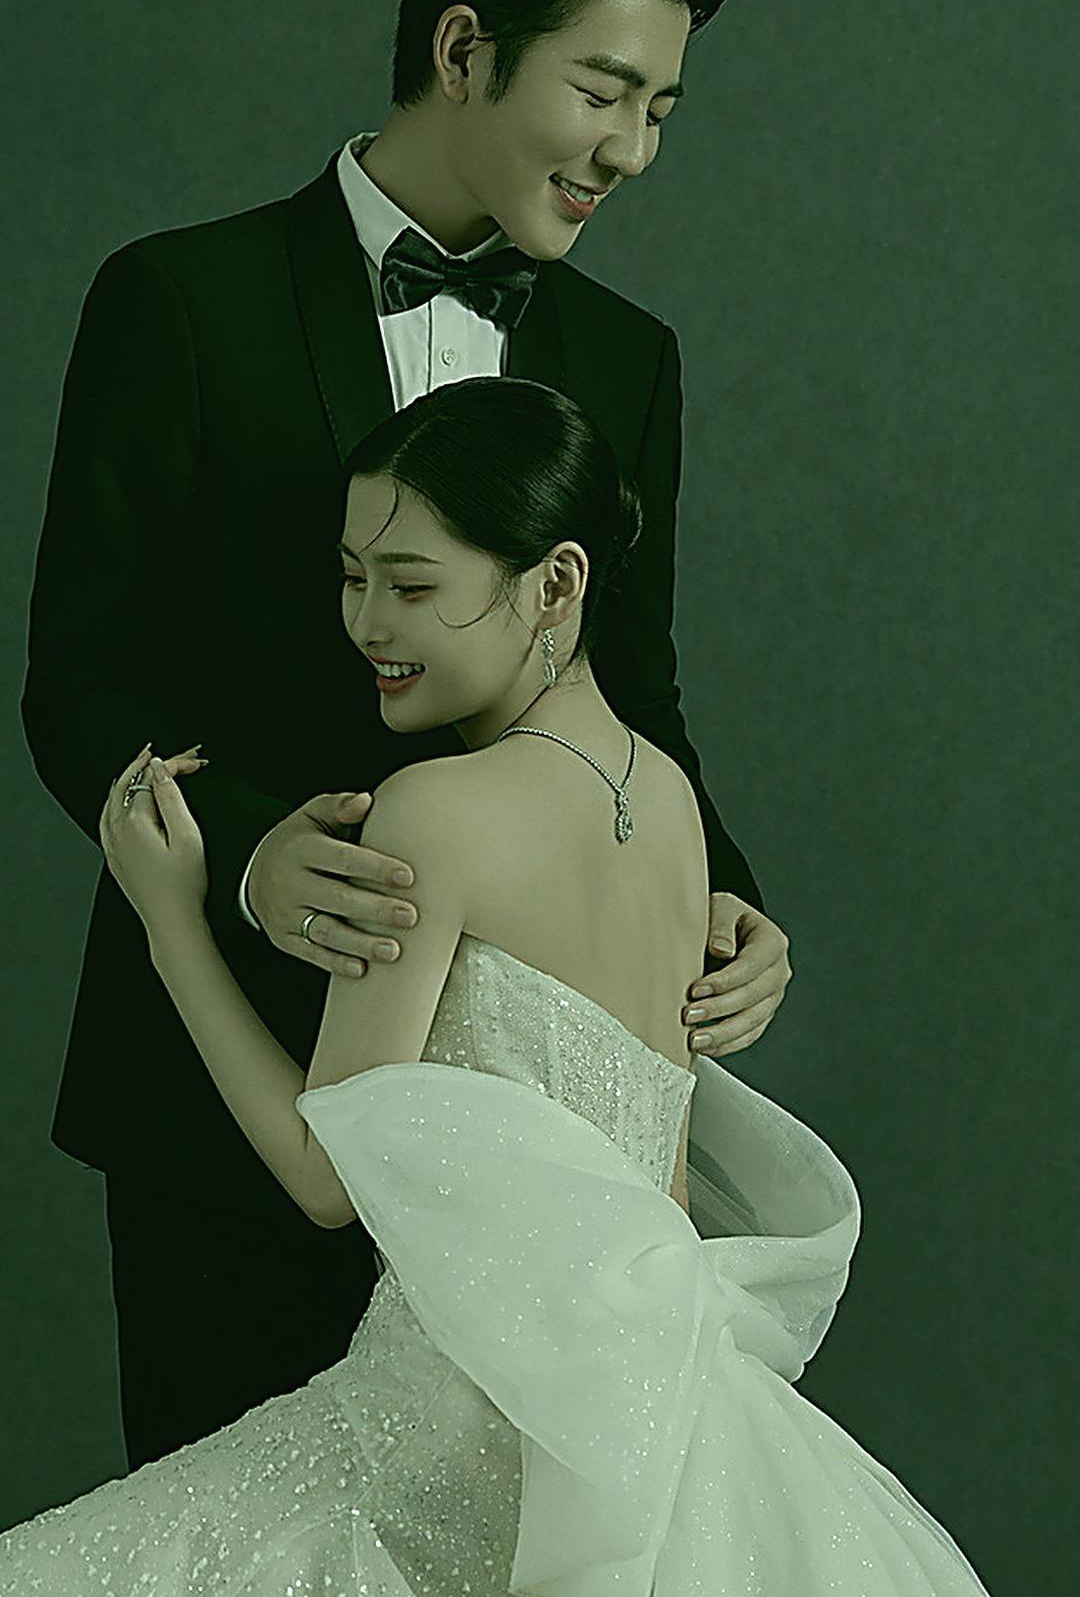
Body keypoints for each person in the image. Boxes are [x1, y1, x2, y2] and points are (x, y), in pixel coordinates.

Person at [1, 375, 993, 1594]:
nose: (367, 623)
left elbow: (325, 1176)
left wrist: (172, 923)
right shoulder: (671, 805)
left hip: (449, 1434)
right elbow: (664, 1187)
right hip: (645, 1423)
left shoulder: (434, 813)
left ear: (556, 584)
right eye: (351, 577)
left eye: (413, 586)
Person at [17, 0, 799, 1481]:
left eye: (660, 108)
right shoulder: (180, 299)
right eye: (602, 91)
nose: (633, 148)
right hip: (229, 1114)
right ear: (461, 49)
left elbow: (639, 695)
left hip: (532, 1176)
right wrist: (247, 861)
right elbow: (83, 681)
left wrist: (727, 898)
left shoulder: (627, 355)